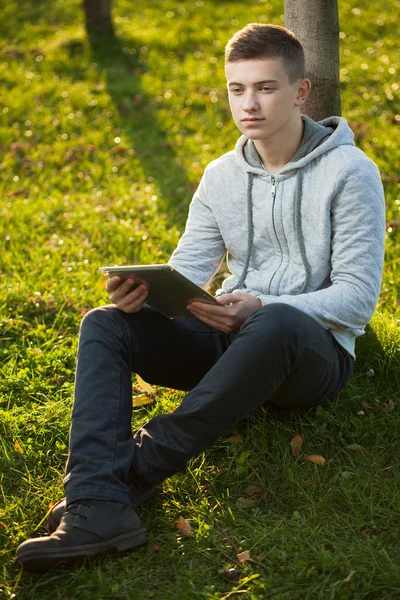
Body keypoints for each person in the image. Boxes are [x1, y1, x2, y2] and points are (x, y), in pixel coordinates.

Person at [16, 23, 385, 572]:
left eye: (265, 88)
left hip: (308, 355)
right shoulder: (221, 176)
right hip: (228, 337)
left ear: (301, 92)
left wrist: (259, 307)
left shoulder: (351, 173)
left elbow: (356, 299)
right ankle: (95, 499)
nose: (249, 104)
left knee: (276, 320)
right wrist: (143, 297)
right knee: (104, 323)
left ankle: (136, 471)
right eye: (237, 89)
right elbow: (187, 272)